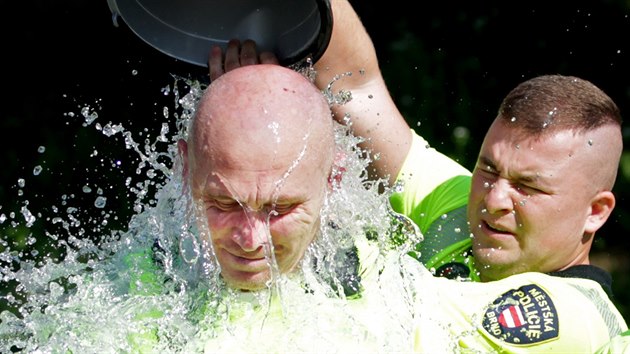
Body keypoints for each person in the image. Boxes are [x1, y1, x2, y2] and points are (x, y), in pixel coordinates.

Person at [205, 0, 628, 351]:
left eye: (528, 187)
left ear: (595, 211)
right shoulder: (459, 208)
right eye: (488, 169)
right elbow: (356, 90)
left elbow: (384, 324)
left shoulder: (573, 322)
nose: (493, 199)